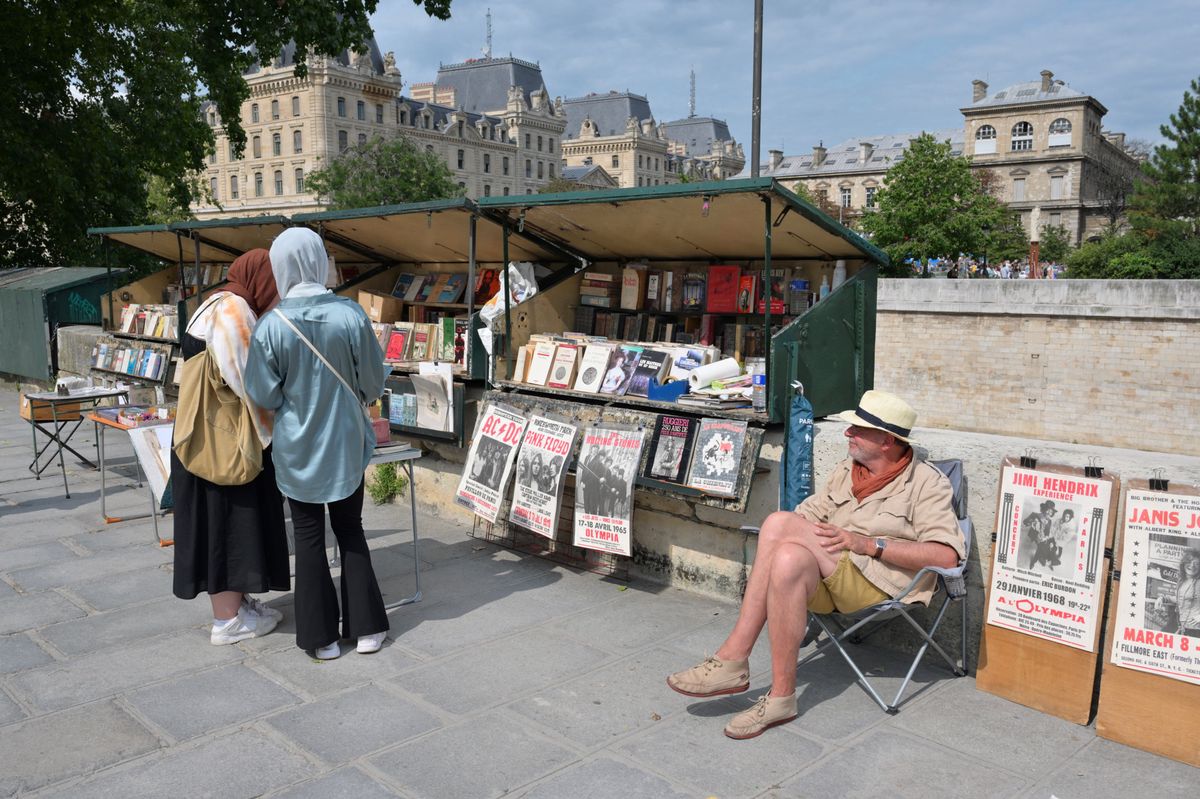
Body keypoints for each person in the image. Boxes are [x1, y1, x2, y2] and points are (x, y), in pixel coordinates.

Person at [666, 390, 962, 739]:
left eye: (857, 429)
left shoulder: (926, 483)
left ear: (886, 440)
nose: (847, 433)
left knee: (777, 524)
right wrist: (796, 534)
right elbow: (807, 517)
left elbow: (947, 556)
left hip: (877, 583)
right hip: (830, 573)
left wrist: (869, 544)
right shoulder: (846, 471)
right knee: (788, 556)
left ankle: (733, 657)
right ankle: (781, 697)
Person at [244, 227, 390, 660]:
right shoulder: (349, 314)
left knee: (308, 537)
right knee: (351, 530)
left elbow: (263, 394)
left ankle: (320, 637)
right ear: (319, 259)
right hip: (345, 441)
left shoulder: (271, 325)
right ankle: (366, 630)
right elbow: (372, 382)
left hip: (296, 447)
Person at [171, 250, 289, 645]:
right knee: (228, 527)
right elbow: (249, 382)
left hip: (202, 439)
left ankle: (236, 605)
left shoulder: (212, 302)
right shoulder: (235, 311)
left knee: (218, 525)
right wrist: (276, 428)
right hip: (224, 444)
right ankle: (227, 621)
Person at [1169, 549, 1200, 637]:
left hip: (1196, 630)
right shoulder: (1182, 580)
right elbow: (1181, 599)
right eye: (1189, 562)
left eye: (1197, 564)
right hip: (1182, 626)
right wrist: (1163, 598)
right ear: (1183, 563)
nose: (1192, 566)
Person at [1023, 500, 1058, 569]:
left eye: (1051, 512)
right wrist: (1032, 522)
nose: (1049, 513)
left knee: (1053, 545)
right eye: (1048, 510)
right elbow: (1025, 522)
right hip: (1035, 535)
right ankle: (1034, 561)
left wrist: (1046, 537)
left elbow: (1047, 532)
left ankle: (1049, 560)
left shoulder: (1049, 521)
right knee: (1041, 547)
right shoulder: (1035, 515)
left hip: (1043, 536)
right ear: (1044, 509)